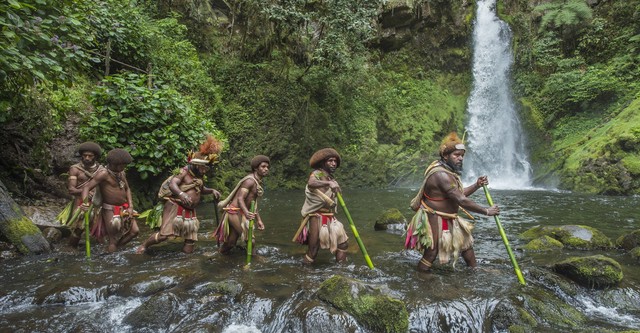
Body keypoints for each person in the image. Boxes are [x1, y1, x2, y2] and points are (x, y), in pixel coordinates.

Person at [405, 132, 500, 271]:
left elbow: (456, 194)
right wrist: (486, 211)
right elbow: (461, 199)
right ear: (445, 155)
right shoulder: (441, 174)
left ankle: (475, 270)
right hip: (435, 217)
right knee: (431, 252)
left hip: (449, 217)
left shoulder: (447, 171)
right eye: (456, 155)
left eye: (462, 155)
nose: (460, 158)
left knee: (466, 245)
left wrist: (476, 185)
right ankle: (421, 278)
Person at [136, 135, 223, 254]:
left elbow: (201, 189)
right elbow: (173, 184)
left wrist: (212, 190)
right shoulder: (184, 172)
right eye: (203, 168)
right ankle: (144, 246)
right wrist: (182, 194)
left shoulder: (199, 176)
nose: (205, 171)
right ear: (197, 164)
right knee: (163, 236)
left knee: (190, 240)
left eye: (207, 168)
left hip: (190, 211)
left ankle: (186, 265)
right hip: (176, 207)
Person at [294, 148, 349, 264]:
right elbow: (311, 183)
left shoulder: (331, 178)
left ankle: (341, 271)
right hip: (316, 216)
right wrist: (329, 183)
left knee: (343, 244)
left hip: (329, 216)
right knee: (313, 250)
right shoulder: (317, 173)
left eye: (335, 161)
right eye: (330, 161)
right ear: (323, 163)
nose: (334, 163)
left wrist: (332, 184)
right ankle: (305, 274)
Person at [80, 148, 139, 252]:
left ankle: (115, 249)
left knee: (135, 231)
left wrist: (130, 206)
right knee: (113, 239)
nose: (124, 167)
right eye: (122, 165)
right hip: (110, 209)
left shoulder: (121, 173)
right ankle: (111, 259)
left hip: (124, 207)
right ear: (114, 164)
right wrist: (85, 203)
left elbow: (127, 189)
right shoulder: (103, 174)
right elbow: (86, 188)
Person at [214, 155, 270, 254]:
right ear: (256, 168)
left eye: (267, 167)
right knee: (250, 240)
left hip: (242, 212)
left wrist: (259, 220)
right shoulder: (249, 181)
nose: (266, 169)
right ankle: (255, 259)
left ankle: (219, 254)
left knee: (231, 243)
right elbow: (240, 198)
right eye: (263, 166)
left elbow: (253, 203)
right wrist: (246, 212)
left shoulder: (257, 182)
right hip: (234, 212)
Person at [57, 142, 103, 248]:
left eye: (90, 156)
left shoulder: (101, 170)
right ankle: (71, 248)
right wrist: (87, 193)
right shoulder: (75, 169)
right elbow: (71, 190)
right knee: (79, 227)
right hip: (81, 203)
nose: (87, 158)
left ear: (95, 156)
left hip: (97, 203)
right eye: (84, 155)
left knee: (100, 228)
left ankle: (103, 253)